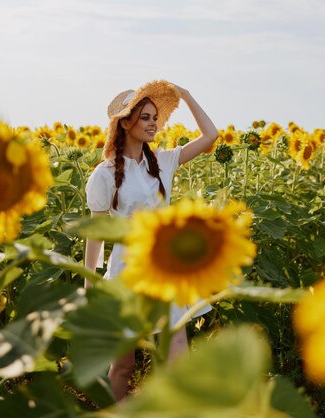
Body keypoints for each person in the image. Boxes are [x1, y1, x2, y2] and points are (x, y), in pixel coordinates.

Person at [84, 80, 219, 401]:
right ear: (125, 123)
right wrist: (90, 287)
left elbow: (211, 136)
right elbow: (96, 236)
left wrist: (185, 95)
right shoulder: (103, 175)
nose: (153, 124)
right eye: (145, 117)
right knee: (123, 366)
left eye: (155, 118)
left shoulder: (165, 162)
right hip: (126, 276)